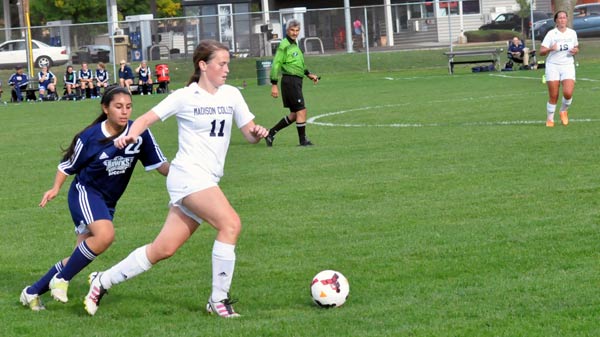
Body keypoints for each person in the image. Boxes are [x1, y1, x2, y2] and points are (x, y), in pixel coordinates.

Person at [83, 40, 268, 317]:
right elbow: (146, 118)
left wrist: (257, 133)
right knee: (230, 224)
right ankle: (218, 300)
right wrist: (131, 134)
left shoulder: (232, 95)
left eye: (227, 63)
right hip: (187, 176)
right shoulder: (185, 96)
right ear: (203, 65)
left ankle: (102, 280)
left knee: (163, 249)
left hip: (207, 178)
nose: (227, 69)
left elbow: (248, 134)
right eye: (221, 63)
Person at [19, 85, 169, 312]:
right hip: (85, 193)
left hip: (107, 201)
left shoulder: (139, 134)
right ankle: (61, 280)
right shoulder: (90, 137)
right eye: (118, 107)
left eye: (128, 107)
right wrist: (55, 188)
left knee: (81, 255)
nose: (124, 112)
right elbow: (67, 166)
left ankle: (31, 293)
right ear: (105, 108)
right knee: (106, 235)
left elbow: (160, 165)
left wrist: (189, 175)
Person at [266, 19, 319, 147]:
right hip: (290, 81)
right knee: (302, 111)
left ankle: (271, 133)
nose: (295, 33)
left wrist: (308, 74)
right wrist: (273, 84)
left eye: (297, 30)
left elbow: (298, 63)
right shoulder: (284, 45)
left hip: (296, 81)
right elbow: (276, 65)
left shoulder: (295, 45)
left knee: (295, 114)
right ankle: (303, 141)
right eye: (292, 30)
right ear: (287, 30)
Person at [540, 11, 579, 127]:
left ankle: (563, 110)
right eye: (560, 18)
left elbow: (576, 47)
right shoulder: (551, 34)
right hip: (553, 66)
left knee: (568, 93)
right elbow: (541, 52)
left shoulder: (572, 33)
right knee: (554, 95)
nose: (562, 20)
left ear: (567, 19)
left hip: (567, 65)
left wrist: (576, 50)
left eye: (564, 18)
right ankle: (550, 119)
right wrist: (550, 49)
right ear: (556, 20)